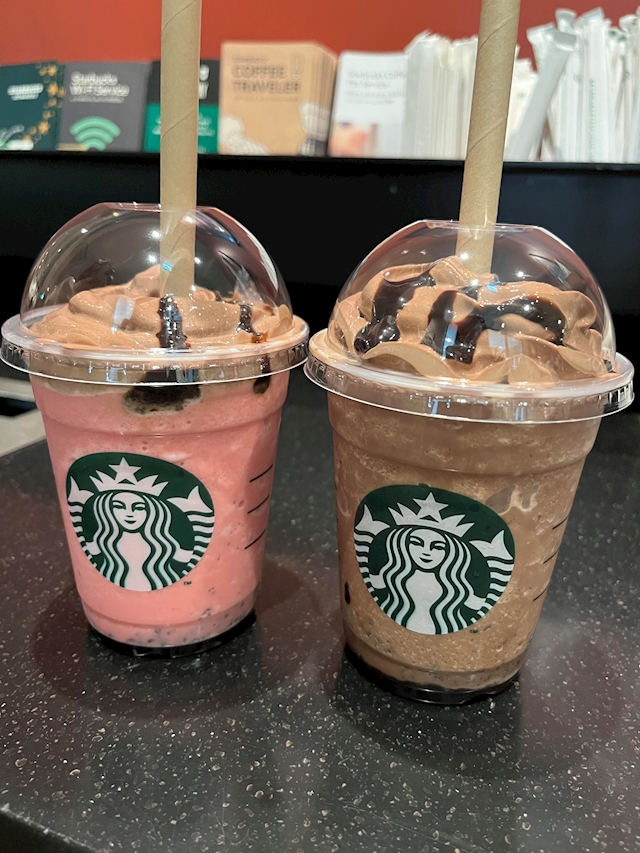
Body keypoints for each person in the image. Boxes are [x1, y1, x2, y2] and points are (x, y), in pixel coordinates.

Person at [85, 490, 194, 591]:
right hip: (103, 595)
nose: (129, 513)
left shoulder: (166, 544)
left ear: (152, 510)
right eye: (119, 506)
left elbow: (185, 558)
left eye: (139, 508)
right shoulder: (103, 542)